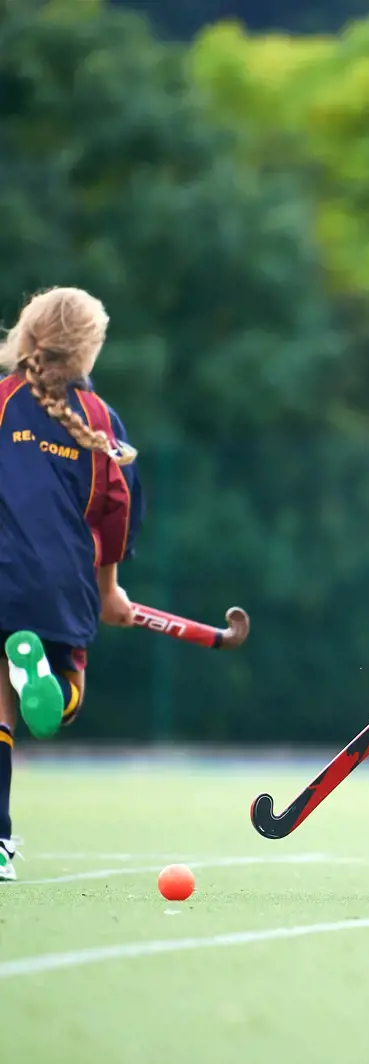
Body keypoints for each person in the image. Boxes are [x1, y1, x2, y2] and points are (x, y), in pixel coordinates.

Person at [0, 287, 143, 881]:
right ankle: (54, 686)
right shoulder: (101, 420)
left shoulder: (2, 400)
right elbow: (116, 511)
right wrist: (110, 591)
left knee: (0, 711)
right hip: (61, 584)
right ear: (90, 348)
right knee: (57, 709)